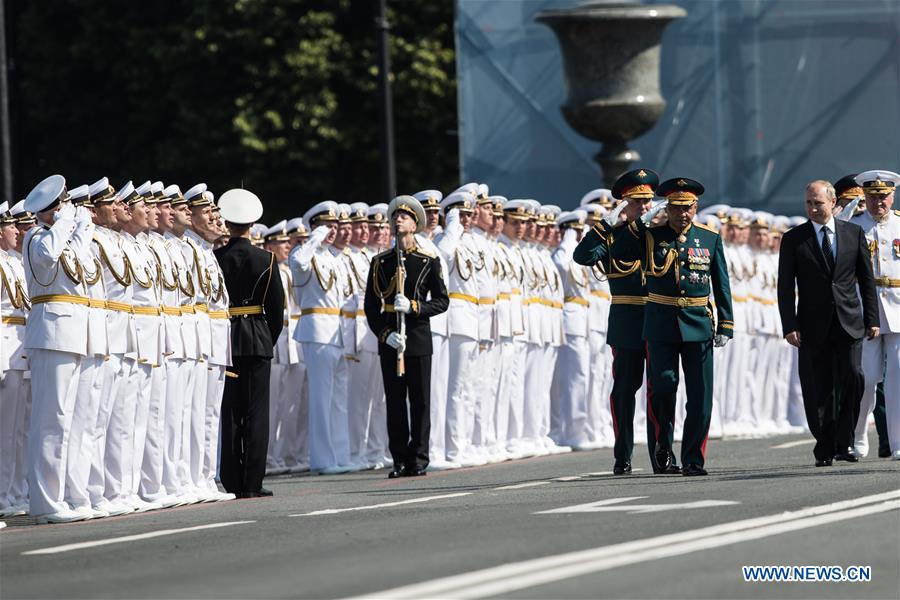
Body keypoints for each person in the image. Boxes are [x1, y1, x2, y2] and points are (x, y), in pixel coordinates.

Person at [608, 175, 734, 476]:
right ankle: (663, 442)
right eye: (676, 208)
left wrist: (726, 325)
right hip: (661, 324)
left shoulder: (709, 238)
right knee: (664, 387)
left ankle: (693, 458)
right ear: (668, 208)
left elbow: (721, 283)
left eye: (687, 207)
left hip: (698, 323)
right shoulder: (651, 235)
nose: (682, 214)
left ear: (696, 206)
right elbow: (619, 252)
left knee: (700, 396)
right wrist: (638, 223)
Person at [777, 179, 879, 467]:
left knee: (853, 378)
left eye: (818, 202)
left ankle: (844, 440)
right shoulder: (794, 238)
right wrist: (789, 325)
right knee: (817, 386)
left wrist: (872, 319)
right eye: (808, 203)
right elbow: (784, 286)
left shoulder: (853, 233)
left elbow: (866, 280)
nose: (813, 208)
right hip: (811, 324)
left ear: (833, 203)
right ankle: (825, 445)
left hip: (849, 320)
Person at [574, 170, 670, 475]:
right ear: (623, 205)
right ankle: (623, 455)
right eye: (636, 202)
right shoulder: (612, 236)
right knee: (624, 391)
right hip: (627, 322)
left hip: (657, 319)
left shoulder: (661, 234)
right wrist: (606, 224)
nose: (644, 207)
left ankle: (662, 454)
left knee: (661, 389)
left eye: (647, 201)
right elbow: (583, 256)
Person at [363, 195, 448, 477]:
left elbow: (442, 301)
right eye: (396, 216)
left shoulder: (427, 261)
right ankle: (399, 458)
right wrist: (385, 334)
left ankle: (419, 458)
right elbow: (371, 307)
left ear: (415, 225)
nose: (398, 220)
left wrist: (414, 306)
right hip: (392, 340)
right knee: (396, 402)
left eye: (405, 217)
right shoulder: (380, 263)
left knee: (421, 402)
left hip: (419, 338)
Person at [214, 189, 284, 497]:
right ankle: (253, 482)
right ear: (252, 224)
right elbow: (277, 309)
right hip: (256, 337)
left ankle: (231, 480)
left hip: (226, 338)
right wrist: (268, 337)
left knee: (230, 412)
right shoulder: (265, 259)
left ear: (226, 223)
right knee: (256, 413)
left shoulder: (216, 258)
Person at [849, 170, 900, 460]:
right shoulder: (854, 226)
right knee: (867, 378)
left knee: (898, 377)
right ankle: (857, 434)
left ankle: (897, 442)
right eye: (872, 197)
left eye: (883, 197)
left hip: (898, 307)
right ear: (864, 198)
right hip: (865, 309)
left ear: (892, 197)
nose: (878, 202)